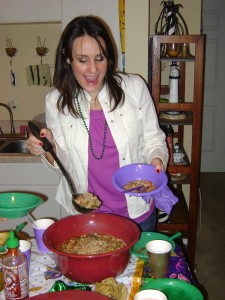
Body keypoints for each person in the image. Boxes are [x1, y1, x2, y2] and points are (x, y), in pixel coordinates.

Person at [27, 15, 168, 231]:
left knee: (141, 267)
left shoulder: (134, 88)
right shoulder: (56, 101)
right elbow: (65, 168)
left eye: (100, 58)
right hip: (86, 216)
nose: (93, 70)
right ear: (68, 58)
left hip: (137, 213)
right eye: (82, 60)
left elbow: (153, 138)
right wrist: (48, 148)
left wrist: (156, 160)